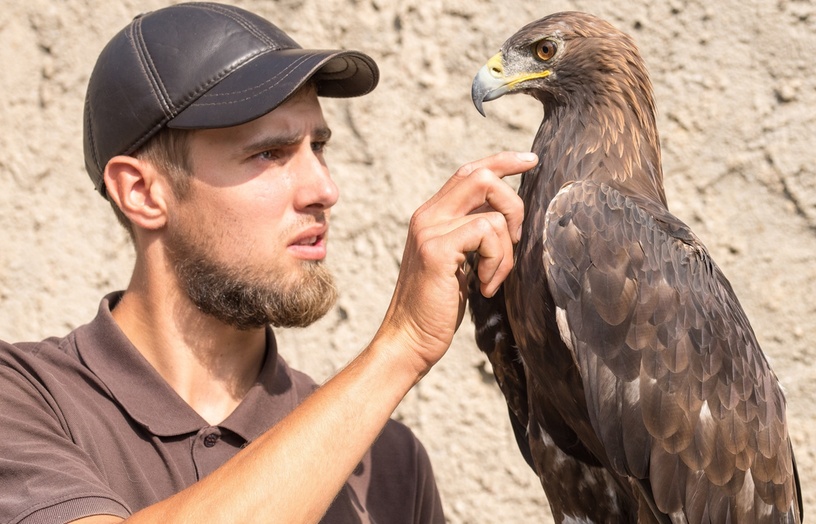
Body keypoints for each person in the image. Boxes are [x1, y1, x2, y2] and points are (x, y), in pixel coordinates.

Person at [0, 3, 537, 524]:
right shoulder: (26, 400)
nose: (325, 190)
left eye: (318, 147)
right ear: (141, 192)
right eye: (269, 154)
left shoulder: (387, 462)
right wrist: (402, 345)